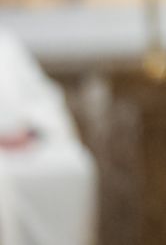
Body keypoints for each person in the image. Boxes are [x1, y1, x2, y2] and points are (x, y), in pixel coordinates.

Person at [0, 28, 97, 245]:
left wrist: (32, 132)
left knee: (75, 164)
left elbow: (46, 102)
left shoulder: (5, 44)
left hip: (22, 145)